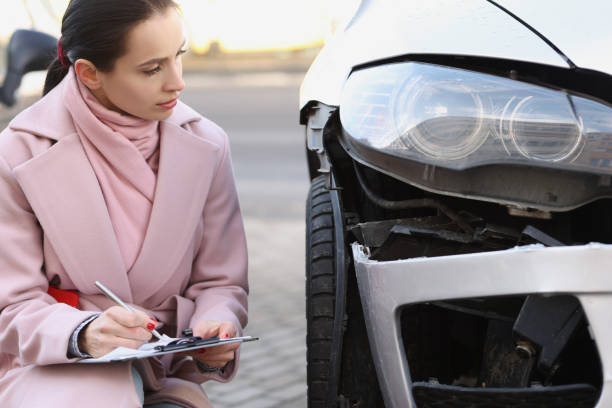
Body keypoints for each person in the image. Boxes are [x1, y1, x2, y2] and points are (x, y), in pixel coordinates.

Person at [0, 1, 248, 407]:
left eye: (178, 56)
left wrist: (216, 328)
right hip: (50, 371)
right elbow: (11, 306)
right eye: (152, 69)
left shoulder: (209, 143)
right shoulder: (16, 152)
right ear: (90, 74)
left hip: (164, 371)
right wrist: (83, 333)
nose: (177, 82)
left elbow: (221, 282)